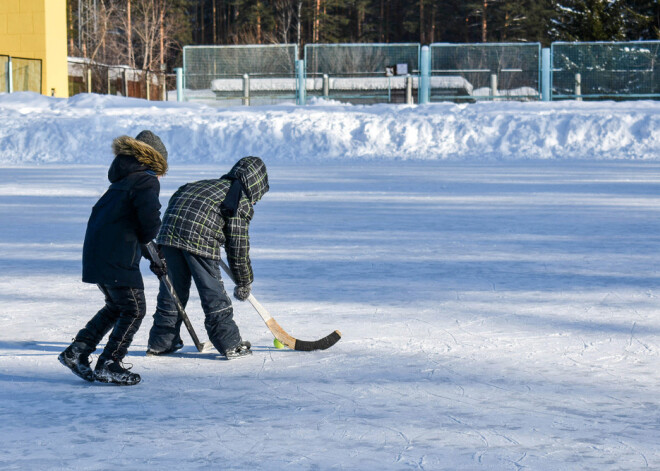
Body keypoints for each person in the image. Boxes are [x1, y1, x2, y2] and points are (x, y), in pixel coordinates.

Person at [58, 130, 168, 385]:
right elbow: (148, 224)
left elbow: (127, 224)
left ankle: (77, 351)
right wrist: (152, 239)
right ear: (154, 160)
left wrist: (151, 254)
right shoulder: (146, 180)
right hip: (117, 256)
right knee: (134, 309)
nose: (162, 176)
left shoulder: (121, 180)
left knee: (117, 307)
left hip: (99, 253)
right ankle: (110, 362)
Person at [146, 156, 269, 360]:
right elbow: (237, 248)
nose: (256, 201)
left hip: (168, 234)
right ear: (255, 186)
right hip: (199, 239)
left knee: (172, 291)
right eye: (258, 196)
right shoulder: (239, 199)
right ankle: (229, 343)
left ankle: (162, 342)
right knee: (213, 292)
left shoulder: (202, 184)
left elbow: (178, 199)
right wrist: (244, 281)